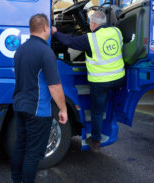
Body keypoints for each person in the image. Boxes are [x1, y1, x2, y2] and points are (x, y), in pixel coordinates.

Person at [51, 11, 125, 151]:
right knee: (106, 101)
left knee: (96, 112)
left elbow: (69, 41)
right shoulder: (116, 31)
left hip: (101, 81)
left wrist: (55, 32)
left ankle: (95, 140)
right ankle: (108, 124)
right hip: (119, 78)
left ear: (93, 24)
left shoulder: (90, 38)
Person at [11, 14, 68, 183]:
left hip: (19, 105)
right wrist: (63, 109)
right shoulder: (45, 51)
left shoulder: (20, 50)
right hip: (37, 110)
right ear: (45, 28)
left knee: (20, 147)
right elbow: (54, 86)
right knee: (33, 153)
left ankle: (16, 180)